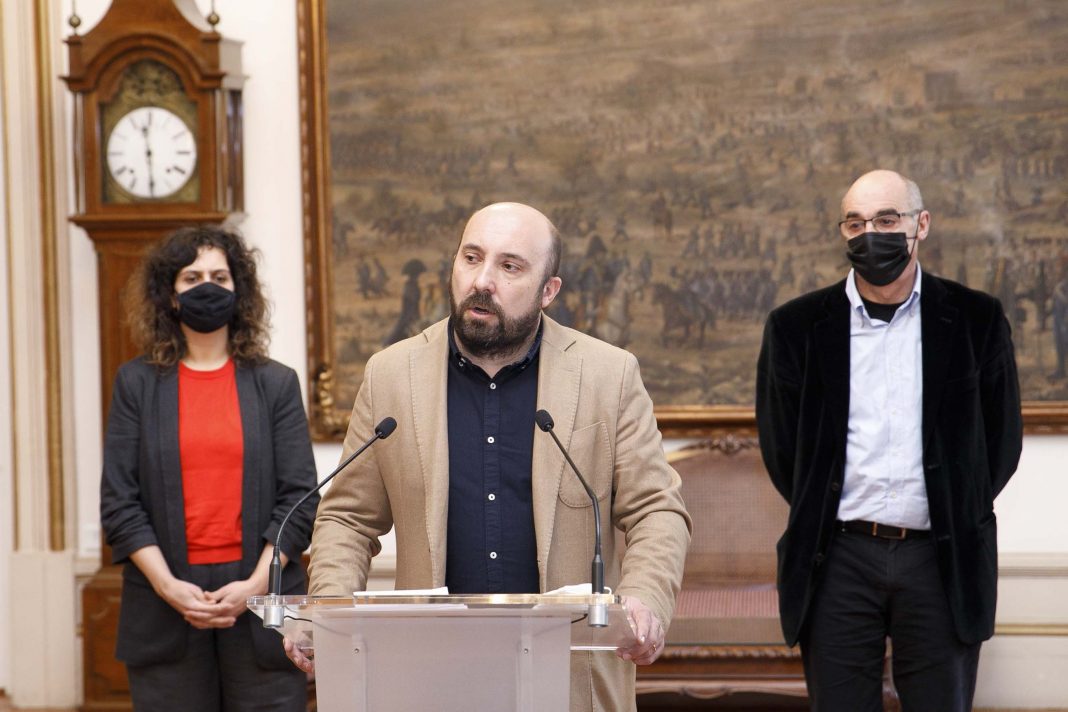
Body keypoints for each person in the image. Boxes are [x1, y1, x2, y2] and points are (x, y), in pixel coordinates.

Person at [287, 202, 691, 712]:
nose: (482, 281)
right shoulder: (391, 375)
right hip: (430, 675)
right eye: (471, 258)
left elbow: (656, 508)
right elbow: (349, 517)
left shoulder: (608, 376)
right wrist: (327, 608)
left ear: (548, 291)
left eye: (510, 266)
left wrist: (644, 598)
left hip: (569, 672)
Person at [756, 170, 1023, 711]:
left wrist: (955, 504)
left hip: (941, 557)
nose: (870, 234)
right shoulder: (795, 327)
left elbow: (1001, 442)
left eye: (885, 220)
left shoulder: (976, 319)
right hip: (837, 559)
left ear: (920, 225)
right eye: (855, 223)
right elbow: (783, 450)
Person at [100, 225, 318, 712]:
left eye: (220, 277)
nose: (207, 287)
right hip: (164, 605)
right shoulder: (135, 384)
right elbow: (119, 503)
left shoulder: (276, 384)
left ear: (239, 291)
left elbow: (300, 500)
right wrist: (167, 586)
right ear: (169, 294)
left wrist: (256, 586)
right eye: (191, 277)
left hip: (264, 606)